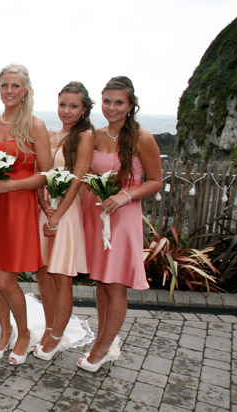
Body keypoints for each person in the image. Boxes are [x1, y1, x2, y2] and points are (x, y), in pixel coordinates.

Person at [79, 76, 162, 372]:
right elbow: (84, 174)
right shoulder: (96, 135)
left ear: (130, 105)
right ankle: (106, 339)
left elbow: (155, 181)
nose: (111, 108)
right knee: (101, 282)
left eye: (118, 102)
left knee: (115, 286)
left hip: (122, 218)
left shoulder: (142, 138)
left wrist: (126, 195)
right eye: (107, 101)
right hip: (95, 215)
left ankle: (102, 348)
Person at [0, 63, 51, 365]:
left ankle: (24, 334)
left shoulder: (35, 125)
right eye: (5, 85)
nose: (9, 91)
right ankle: (4, 332)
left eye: (15, 86)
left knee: (7, 280)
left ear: (25, 90)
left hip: (19, 205)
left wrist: (13, 185)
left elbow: (46, 174)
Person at [33, 81, 94, 361]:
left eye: (73, 106)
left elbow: (78, 178)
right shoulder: (51, 133)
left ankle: (58, 337)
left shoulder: (84, 137)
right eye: (62, 104)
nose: (66, 110)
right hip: (45, 210)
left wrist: (57, 214)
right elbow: (40, 171)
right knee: (43, 272)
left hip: (66, 214)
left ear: (83, 110)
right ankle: (48, 327)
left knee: (62, 277)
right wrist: (44, 204)